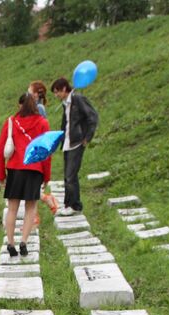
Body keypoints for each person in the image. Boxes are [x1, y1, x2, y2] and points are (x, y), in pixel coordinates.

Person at [0, 94, 51, 257]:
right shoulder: (43, 123)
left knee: (12, 208)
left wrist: (1, 173)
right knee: (31, 208)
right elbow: (46, 152)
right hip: (34, 169)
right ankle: (24, 242)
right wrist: (46, 175)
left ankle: (10, 242)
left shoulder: (11, 122)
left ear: (20, 105)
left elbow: (1, 149)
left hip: (15, 169)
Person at [52, 76, 98, 216]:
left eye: (57, 92)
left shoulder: (78, 99)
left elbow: (93, 117)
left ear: (64, 89)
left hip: (77, 142)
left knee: (70, 175)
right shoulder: (66, 103)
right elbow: (66, 123)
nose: (56, 95)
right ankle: (69, 204)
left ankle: (75, 206)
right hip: (68, 142)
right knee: (68, 176)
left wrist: (87, 137)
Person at [29, 80, 60, 214]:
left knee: (29, 184)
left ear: (36, 94)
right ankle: (44, 201)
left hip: (37, 147)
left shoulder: (39, 108)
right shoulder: (32, 107)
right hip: (32, 146)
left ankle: (44, 201)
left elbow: (41, 130)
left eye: (29, 92)